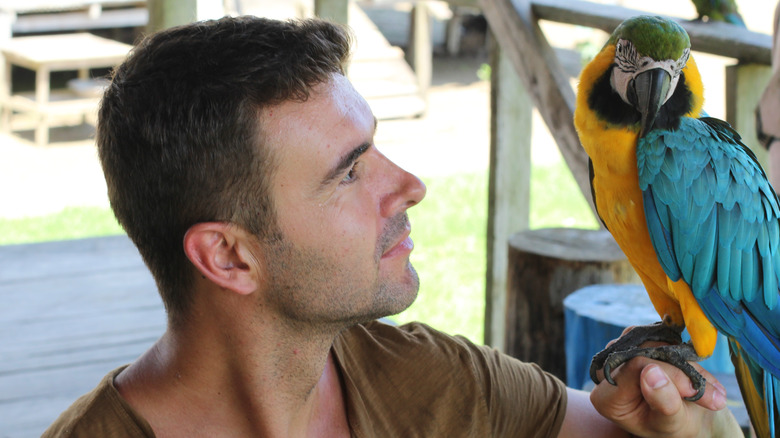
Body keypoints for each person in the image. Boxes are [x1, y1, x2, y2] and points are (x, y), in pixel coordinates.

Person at [43, 16, 741, 437]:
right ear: (229, 256)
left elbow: (630, 427)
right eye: (349, 172)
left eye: (375, 147)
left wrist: (682, 419)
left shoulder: (432, 381)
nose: (411, 186)